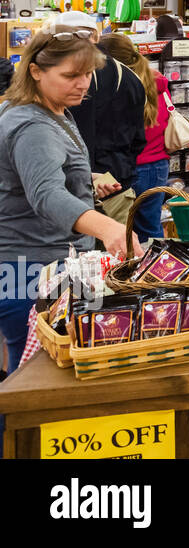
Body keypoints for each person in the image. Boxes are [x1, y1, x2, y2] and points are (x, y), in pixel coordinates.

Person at [0, 28, 129, 379]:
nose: (83, 84)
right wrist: (108, 227)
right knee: (31, 382)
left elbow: (36, 174)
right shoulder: (32, 125)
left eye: (87, 73)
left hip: (43, 263)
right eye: (71, 75)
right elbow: (44, 193)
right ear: (36, 71)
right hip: (31, 269)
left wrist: (84, 181)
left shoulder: (50, 109)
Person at [61, 13, 146, 227]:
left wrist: (86, 177)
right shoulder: (131, 76)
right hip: (118, 184)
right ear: (96, 37)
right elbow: (138, 139)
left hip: (76, 189)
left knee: (78, 258)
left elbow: (78, 136)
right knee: (118, 257)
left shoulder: (67, 80)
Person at [100, 34, 172, 241]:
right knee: (150, 226)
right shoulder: (156, 80)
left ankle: (135, 269)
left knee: (125, 230)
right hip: (159, 164)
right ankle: (157, 269)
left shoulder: (118, 88)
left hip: (130, 167)